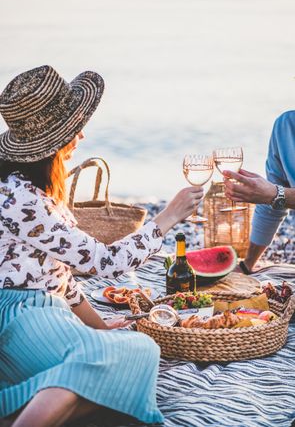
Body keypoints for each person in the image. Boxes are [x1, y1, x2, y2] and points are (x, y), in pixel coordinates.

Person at [0, 65, 203, 427]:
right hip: (24, 318)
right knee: (135, 351)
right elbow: (104, 262)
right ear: (52, 141)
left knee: (124, 351)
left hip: (40, 312)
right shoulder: (22, 198)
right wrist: (168, 217)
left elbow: (60, 278)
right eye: (73, 126)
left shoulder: (23, 187)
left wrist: (97, 325)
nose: (81, 133)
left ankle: (35, 402)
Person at [223, 110, 295, 273]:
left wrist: (274, 194)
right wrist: (247, 265)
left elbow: (274, 194)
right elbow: (272, 203)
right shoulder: (285, 125)